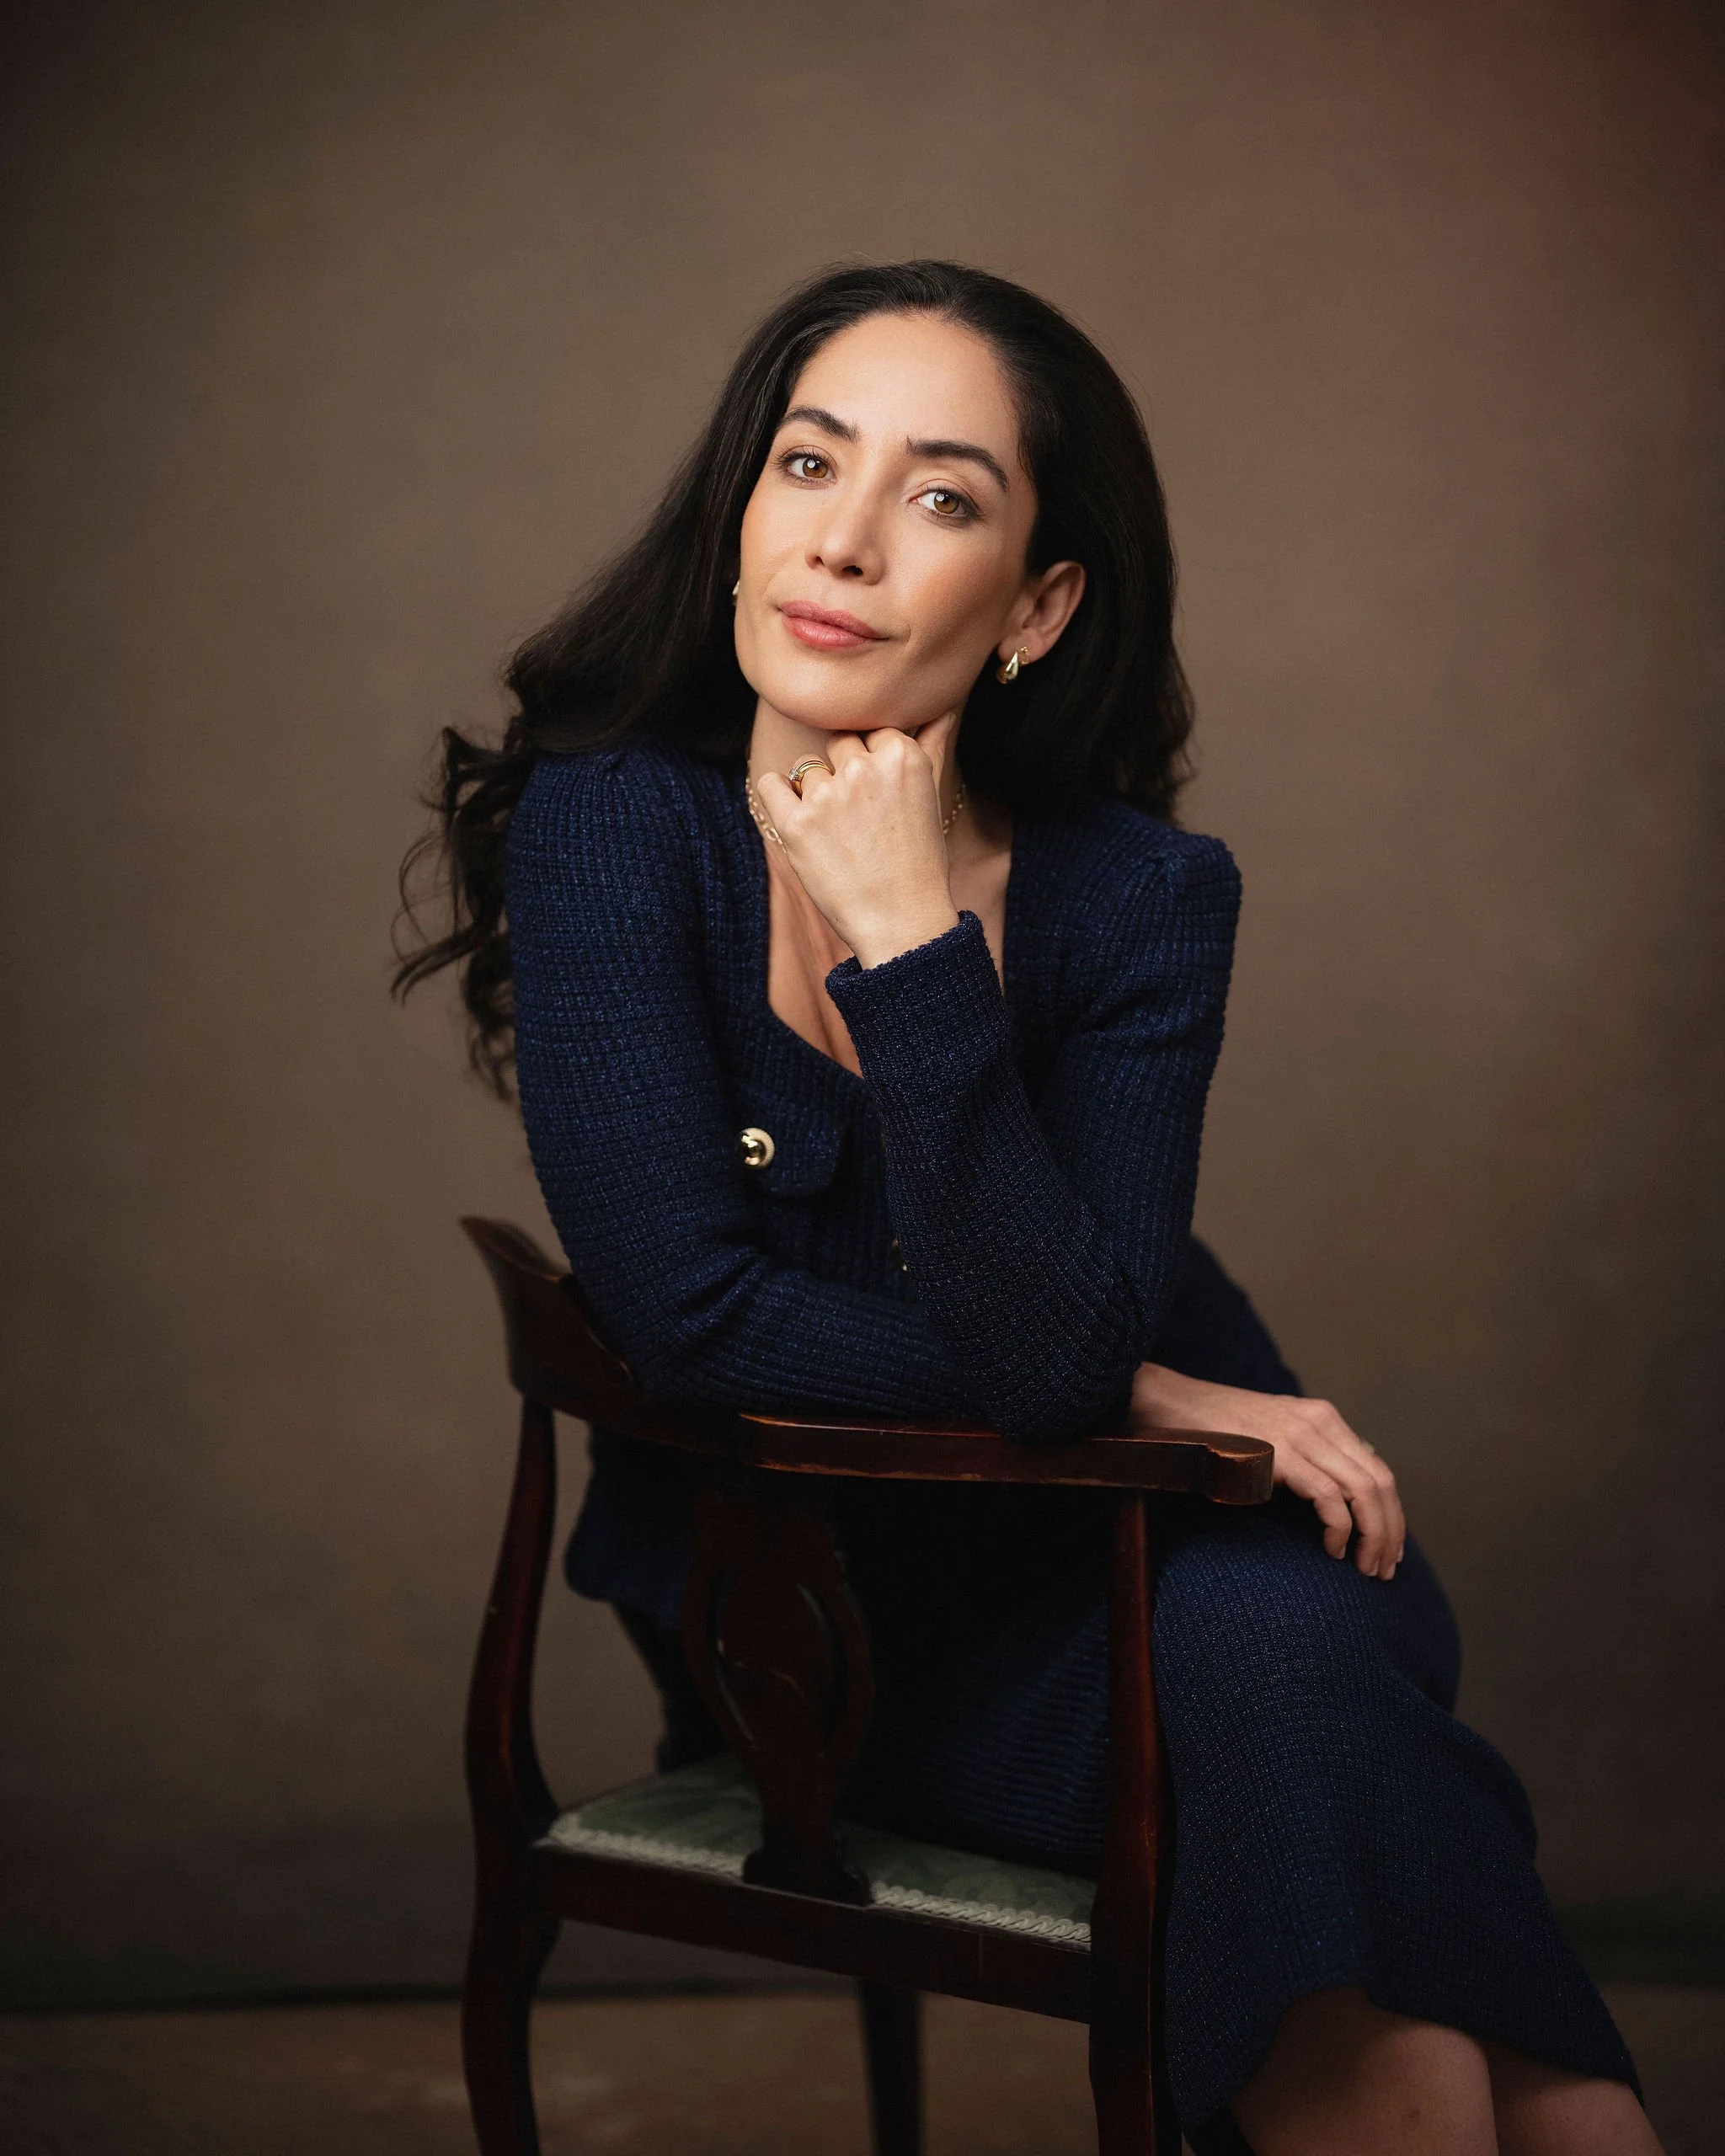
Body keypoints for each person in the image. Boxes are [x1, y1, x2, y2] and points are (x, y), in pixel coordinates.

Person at [397, 261, 1655, 2154]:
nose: (843, 537)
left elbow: (1060, 1348)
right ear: (739, 515)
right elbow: (702, 1320)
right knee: (1348, 1815)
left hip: (1187, 1566)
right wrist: (1155, 1389)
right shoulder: (615, 835)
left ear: (1037, 603)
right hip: (826, 1642)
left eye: (942, 494)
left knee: (1288, 1677)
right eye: (808, 461)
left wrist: (909, 936)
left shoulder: (1142, 898)